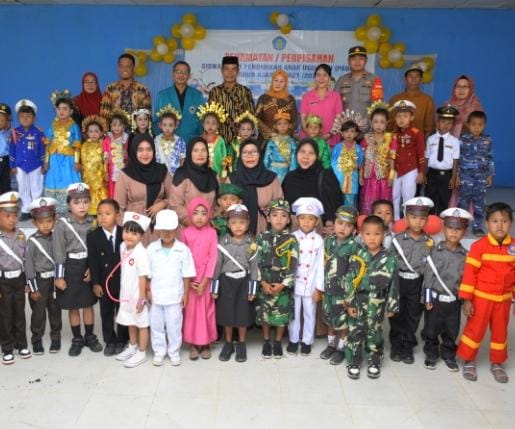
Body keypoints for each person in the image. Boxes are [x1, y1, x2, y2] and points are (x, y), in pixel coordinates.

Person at [457, 202, 514, 384]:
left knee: (500, 333)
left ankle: (497, 363)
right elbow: (469, 274)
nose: (500, 225)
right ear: (487, 224)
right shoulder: (479, 246)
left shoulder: (513, 247)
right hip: (481, 299)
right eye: (495, 221)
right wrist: (467, 300)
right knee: (475, 330)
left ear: (511, 223)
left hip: (503, 301)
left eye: (504, 221)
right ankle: (468, 360)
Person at [345, 215, 398, 379]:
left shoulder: (389, 257)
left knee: (374, 332)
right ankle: (353, 361)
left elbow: (394, 283)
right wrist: (349, 302)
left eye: (377, 234)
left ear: (384, 235)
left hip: (378, 301)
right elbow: (349, 279)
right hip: (358, 300)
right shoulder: (357, 254)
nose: (372, 238)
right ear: (362, 234)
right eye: (368, 234)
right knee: (355, 330)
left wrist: (392, 305)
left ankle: (374, 361)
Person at [53, 183, 102, 357]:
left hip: (87, 266)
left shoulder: (93, 222)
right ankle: (77, 338)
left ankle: (90, 336)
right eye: (76, 202)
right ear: (68, 204)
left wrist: (92, 268)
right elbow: (59, 251)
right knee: (73, 306)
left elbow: (96, 249)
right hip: (70, 268)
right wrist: (59, 277)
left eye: (85, 201)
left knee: (88, 304)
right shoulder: (62, 225)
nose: (82, 206)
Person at [421, 207, 472, 372]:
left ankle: (449, 354)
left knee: (452, 330)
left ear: (465, 231)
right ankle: (431, 354)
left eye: (459, 229)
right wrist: (427, 298)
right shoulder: (434, 252)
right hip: (436, 299)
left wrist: (465, 301)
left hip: (454, 301)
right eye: (450, 227)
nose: (454, 232)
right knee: (431, 329)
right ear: (444, 229)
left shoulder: (466, 256)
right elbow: (429, 275)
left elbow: (466, 280)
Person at [148, 209, 196, 367]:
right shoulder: (151, 249)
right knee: (156, 325)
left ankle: (174, 351)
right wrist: (147, 290)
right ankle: (159, 351)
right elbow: (146, 273)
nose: (167, 233)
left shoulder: (183, 249)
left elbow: (187, 274)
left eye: (170, 230)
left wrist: (186, 294)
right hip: (156, 296)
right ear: (158, 230)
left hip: (175, 295)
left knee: (174, 326)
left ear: (177, 229)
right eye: (163, 230)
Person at [389, 197, 434, 364]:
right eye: (414, 217)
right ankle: (396, 345)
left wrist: (426, 294)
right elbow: (391, 265)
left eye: (422, 218)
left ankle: (408, 345)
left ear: (427, 220)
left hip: (417, 283)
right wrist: (391, 290)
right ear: (406, 219)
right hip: (399, 281)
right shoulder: (397, 240)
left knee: (413, 315)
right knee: (396, 314)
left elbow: (430, 269)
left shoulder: (430, 242)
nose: (418, 222)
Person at [212, 204, 258, 363]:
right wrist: (214, 289)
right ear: (228, 224)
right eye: (234, 222)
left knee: (242, 314)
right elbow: (217, 267)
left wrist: (252, 290)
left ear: (248, 223)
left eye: (242, 222)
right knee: (227, 313)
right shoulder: (222, 243)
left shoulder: (251, 243)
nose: (238, 226)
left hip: (244, 282)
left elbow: (254, 268)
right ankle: (228, 343)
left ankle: (242, 344)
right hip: (226, 282)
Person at [256, 199, 298, 359]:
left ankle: (278, 341)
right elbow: (256, 262)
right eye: (274, 215)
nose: (279, 219)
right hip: (265, 284)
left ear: (288, 220)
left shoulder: (292, 240)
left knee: (281, 316)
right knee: (265, 315)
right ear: (268, 218)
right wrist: (262, 282)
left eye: (283, 215)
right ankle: (267, 341)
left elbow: (294, 264)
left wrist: (284, 284)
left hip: (282, 286)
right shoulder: (262, 237)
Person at [320, 206, 362, 365]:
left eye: (348, 225)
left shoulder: (355, 247)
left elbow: (355, 273)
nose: (343, 228)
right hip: (328, 290)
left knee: (343, 322)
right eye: (340, 223)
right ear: (334, 223)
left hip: (344, 293)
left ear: (354, 229)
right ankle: (331, 344)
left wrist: (350, 297)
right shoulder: (328, 241)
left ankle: (341, 348)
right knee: (330, 319)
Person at [114, 133, 172, 246]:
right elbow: (119, 208)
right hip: (135, 229)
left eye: (148, 149)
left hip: (159, 227)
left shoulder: (162, 171)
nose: (145, 154)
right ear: (134, 151)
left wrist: (163, 204)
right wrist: (128, 233)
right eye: (140, 150)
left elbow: (174, 198)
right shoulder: (126, 174)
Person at [87, 199, 127, 357]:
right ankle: (110, 340)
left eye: (107, 213)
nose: (103, 217)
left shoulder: (125, 233)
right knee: (106, 313)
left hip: (123, 282)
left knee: (123, 311)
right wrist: (95, 284)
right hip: (104, 283)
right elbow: (93, 262)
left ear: (117, 215)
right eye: (99, 214)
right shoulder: (93, 236)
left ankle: (123, 339)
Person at [180, 197, 218, 360]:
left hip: (206, 281)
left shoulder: (212, 232)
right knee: (191, 313)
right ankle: (193, 344)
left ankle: (206, 343)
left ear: (208, 215)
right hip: (190, 281)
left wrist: (205, 281)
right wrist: (189, 281)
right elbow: (183, 258)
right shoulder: (185, 233)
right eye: (195, 213)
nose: (200, 217)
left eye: (203, 213)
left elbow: (213, 257)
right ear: (190, 214)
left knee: (206, 311)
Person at [287, 197, 325, 356]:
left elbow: (321, 266)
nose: (306, 222)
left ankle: (307, 341)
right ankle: (293, 339)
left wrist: (319, 288)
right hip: (294, 283)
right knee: (294, 313)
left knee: (309, 313)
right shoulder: (292, 237)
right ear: (297, 219)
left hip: (311, 284)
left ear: (316, 221)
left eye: (311, 219)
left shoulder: (319, 240)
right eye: (302, 218)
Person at [114, 212, 152, 368]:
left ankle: (141, 352)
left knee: (141, 323)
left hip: (137, 295)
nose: (129, 236)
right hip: (126, 293)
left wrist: (141, 298)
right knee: (130, 320)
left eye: (135, 233)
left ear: (141, 236)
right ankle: (132, 346)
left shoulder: (141, 252)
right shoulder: (122, 246)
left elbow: (143, 277)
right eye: (127, 231)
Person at [282, 138, 342, 234]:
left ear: (317, 156)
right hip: (294, 232)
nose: (306, 157)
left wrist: (331, 222)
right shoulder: (290, 178)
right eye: (302, 152)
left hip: (320, 231)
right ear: (296, 154)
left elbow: (336, 203)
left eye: (311, 153)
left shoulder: (326, 176)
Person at [25, 197, 61, 356]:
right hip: (39, 281)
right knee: (38, 313)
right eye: (41, 222)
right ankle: (36, 339)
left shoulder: (57, 238)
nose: (45, 225)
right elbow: (28, 266)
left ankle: (56, 338)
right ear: (34, 223)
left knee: (55, 310)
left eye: (49, 221)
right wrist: (33, 288)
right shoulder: (32, 242)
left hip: (54, 280)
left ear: (55, 220)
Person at [228, 139, 283, 236]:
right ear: (240, 156)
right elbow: (225, 206)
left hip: (265, 233)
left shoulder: (271, 178)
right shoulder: (232, 179)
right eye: (245, 152)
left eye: (254, 152)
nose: (249, 155)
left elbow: (280, 207)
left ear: (260, 155)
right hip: (237, 234)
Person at [0, 191, 31, 364]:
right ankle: (7, 347)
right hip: (3, 281)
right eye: (7, 216)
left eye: (15, 215)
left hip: (18, 279)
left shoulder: (21, 234)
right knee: (5, 315)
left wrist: (26, 281)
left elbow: (25, 259)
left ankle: (21, 344)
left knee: (20, 313)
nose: (12, 219)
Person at [457, 111, 494, 236]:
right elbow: (457, 158)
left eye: (480, 125)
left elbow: (490, 158)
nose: (477, 127)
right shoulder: (462, 139)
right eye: (473, 124)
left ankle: (477, 226)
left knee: (479, 203)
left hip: (481, 177)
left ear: (485, 125)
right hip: (465, 177)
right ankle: (461, 225)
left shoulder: (487, 140)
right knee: (463, 202)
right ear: (468, 124)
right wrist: (456, 175)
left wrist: (490, 175)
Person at [44, 93, 82, 216]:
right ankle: (55, 208)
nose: (61, 111)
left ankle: (70, 208)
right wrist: (46, 161)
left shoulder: (74, 126)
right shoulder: (52, 126)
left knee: (68, 181)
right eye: (59, 108)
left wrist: (76, 161)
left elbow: (77, 145)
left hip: (68, 160)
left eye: (65, 109)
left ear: (71, 111)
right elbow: (48, 144)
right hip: (54, 159)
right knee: (54, 181)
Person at [170, 137, 218, 227]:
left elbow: (217, 204)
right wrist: (196, 223)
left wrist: (210, 222)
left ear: (207, 153)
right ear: (189, 154)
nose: (200, 154)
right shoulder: (181, 175)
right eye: (195, 151)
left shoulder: (213, 175)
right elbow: (175, 205)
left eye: (203, 150)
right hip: (188, 228)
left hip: (210, 227)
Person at [10, 99, 46, 221]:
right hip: (20, 165)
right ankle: (26, 209)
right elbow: (12, 149)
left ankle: (36, 209)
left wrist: (43, 164)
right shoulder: (15, 133)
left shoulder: (38, 133)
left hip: (35, 165)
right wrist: (12, 165)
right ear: (18, 118)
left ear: (34, 118)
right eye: (22, 116)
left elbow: (42, 149)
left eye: (28, 116)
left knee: (36, 187)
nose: (25, 119)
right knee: (23, 187)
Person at [391, 100, 426, 220]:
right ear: (395, 118)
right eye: (398, 116)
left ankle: (407, 221)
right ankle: (396, 220)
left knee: (408, 196)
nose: (401, 119)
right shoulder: (393, 134)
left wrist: (421, 172)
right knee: (394, 195)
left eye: (405, 116)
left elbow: (421, 154)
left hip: (411, 170)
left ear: (412, 117)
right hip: (396, 170)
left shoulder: (416, 133)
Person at [359, 103, 397, 215]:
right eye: (375, 122)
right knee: (368, 201)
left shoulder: (390, 139)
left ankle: (383, 222)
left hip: (384, 178)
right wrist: (360, 175)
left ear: (387, 123)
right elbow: (362, 160)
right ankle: (367, 220)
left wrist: (391, 177)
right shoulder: (366, 139)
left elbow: (392, 159)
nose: (378, 125)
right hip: (369, 177)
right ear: (371, 122)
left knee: (383, 202)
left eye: (382, 122)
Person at [208, 56, 255, 144]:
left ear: (238, 71)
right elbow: (210, 118)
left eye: (234, 69)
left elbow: (251, 118)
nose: (230, 72)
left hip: (240, 143)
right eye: (227, 69)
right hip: (219, 142)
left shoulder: (245, 92)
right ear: (222, 70)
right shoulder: (215, 92)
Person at [154, 61, 204, 144]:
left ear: (189, 75)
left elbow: (201, 121)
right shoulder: (162, 95)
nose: (181, 75)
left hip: (192, 142)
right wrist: (161, 142)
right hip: (168, 143)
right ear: (173, 74)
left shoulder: (197, 95)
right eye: (178, 72)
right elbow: (156, 122)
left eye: (184, 72)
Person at [425, 105, 460, 215]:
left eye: (449, 123)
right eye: (443, 122)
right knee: (430, 199)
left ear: (453, 125)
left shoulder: (454, 141)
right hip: (432, 174)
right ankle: (430, 220)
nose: (446, 125)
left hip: (446, 175)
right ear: (437, 122)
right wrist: (424, 173)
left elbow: (455, 160)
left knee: (444, 199)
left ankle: (441, 220)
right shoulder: (430, 139)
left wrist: (453, 177)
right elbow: (427, 157)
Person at [334, 46, 383, 123]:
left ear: (366, 60)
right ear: (348, 61)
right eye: (353, 59)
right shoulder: (341, 80)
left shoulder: (374, 80)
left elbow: (378, 106)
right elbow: (334, 104)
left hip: (367, 127)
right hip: (346, 127)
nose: (357, 62)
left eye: (361, 59)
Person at [300, 64, 343, 147]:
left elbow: (339, 119)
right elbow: (303, 119)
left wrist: (328, 135)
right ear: (315, 77)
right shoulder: (307, 96)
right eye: (318, 75)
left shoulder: (336, 96)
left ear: (329, 78)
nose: (321, 78)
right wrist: (312, 136)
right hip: (310, 141)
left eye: (325, 75)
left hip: (331, 141)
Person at [388, 64, 435, 139]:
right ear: (405, 79)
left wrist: (422, 143)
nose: (414, 79)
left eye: (417, 76)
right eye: (410, 76)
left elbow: (429, 128)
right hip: (397, 142)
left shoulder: (427, 100)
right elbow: (390, 125)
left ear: (421, 79)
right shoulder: (395, 99)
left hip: (418, 142)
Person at [100, 53, 151, 119]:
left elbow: (147, 116)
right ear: (118, 68)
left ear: (133, 68)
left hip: (135, 126)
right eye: (121, 66)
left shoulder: (143, 90)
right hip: (114, 126)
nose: (124, 69)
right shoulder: (110, 89)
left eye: (128, 66)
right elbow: (104, 116)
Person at [255, 69, 298, 142]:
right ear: (272, 81)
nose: (278, 84)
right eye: (276, 80)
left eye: (281, 81)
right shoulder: (263, 98)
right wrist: (271, 133)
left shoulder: (290, 99)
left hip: (285, 140)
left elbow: (294, 122)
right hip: (265, 140)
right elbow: (256, 118)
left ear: (285, 83)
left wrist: (283, 134)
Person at [331, 120, 364, 208]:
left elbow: (361, 165)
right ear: (342, 133)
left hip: (352, 182)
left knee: (350, 204)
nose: (349, 134)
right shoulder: (337, 148)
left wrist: (360, 177)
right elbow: (333, 163)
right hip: (338, 180)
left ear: (356, 134)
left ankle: (351, 217)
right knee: (337, 203)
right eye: (346, 131)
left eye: (352, 131)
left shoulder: (358, 149)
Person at [81, 115, 108, 216]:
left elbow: (106, 160)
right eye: (91, 131)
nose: (93, 134)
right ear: (87, 133)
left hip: (100, 176)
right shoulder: (84, 146)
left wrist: (105, 172)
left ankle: (101, 215)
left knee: (101, 196)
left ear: (101, 133)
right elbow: (83, 161)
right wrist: (89, 174)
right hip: (89, 176)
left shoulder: (103, 144)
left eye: (96, 131)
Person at [263, 111, 298, 183]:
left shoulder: (292, 142)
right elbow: (266, 158)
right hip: (273, 171)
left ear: (289, 125)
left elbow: (293, 159)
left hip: (286, 171)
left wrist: (292, 174)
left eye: (285, 123)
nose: (282, 126)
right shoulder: (272, 141)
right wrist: (265, 173)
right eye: (279, 124)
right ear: (275, 126)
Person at [197, 101, 228, 179]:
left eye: (213, 123)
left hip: (217, 173)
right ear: (203, 124)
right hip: (201, 173)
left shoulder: (220, 140)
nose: (210, 126)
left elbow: (224, 157)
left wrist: (223, 173)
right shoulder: (199, 139)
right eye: (207, 123)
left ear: (218, 125)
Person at [103, 109, 129, 198]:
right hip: (111, 170)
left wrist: (126, 155)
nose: (117, 127)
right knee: (112, 191)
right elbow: (105, 155)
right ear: (110, 126)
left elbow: (128, 156)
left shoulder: (126, 139)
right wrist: (106, 171)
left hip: (123, 170)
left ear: (124, 126)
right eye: (114, 125)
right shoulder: (107, 140)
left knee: (122, 190)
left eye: (119, 125)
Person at [154, 105, 186, 175]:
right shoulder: (157, 139)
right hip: (160, 174)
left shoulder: (180, 141)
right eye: (164, 125)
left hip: (175, 175)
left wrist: (180, 174)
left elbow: (182, 159)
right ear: (160, 126)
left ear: (176, 126)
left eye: (170, 125)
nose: (167, 128)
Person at [0, 103, 12, 193]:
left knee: (5, 185)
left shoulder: (11, 133)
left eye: (3, 120)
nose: (0, 122)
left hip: (6, 161)